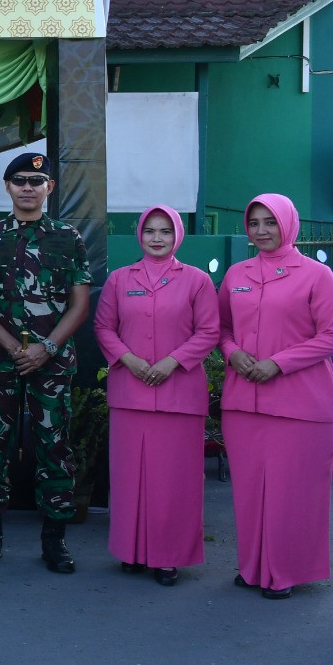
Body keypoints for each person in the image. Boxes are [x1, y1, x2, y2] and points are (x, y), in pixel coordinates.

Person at [0, 152, 91, 574]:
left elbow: (79, 304)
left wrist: (46, 349)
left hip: (51, 364)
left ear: (49, 188)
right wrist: (10, 346)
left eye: (36, 181)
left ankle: (54, 541)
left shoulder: (68, 237)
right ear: (7, 187)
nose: (28, 188)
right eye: (19, 180)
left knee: (54, 448)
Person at [93, 205, 219, 587]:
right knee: (131, 479)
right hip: (129, 392)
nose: (158, 238)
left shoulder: (196, 280)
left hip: (179, 392)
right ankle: (131, 551)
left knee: (173, 480)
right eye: (150, 230)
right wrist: (128, 360)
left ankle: (168, 556)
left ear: (178, 235)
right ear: (140, 235)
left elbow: (209, 331)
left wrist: (172, 362)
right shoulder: (119, 279)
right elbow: (104, 326)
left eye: (165, 231)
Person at [217, 193, 333, 600]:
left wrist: (279, 363)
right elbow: (222, 330)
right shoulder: (236, 274)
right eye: (254, 223)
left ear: (288, 223)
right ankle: (252, 568)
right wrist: (234, 353)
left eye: (270, 222)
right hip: (243, 402)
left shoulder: (317, 275)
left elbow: (330, 336)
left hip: (301, 405)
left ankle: (284, 572)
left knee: (291, 493)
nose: (262, 231)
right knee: (249, 492)